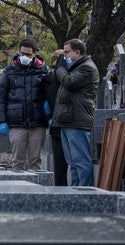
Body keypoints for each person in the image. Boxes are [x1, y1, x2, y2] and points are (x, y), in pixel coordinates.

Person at [0, 38, 48, 171]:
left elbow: (49, 94)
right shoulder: (9, 71)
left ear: (35, 54)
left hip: (37, 122)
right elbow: (1, 98)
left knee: (35, 161)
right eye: (22, 53)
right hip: (17, 122)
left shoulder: (42, 71)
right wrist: (2, 120)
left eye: (28, 54)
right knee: (17, 161)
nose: (25, 57)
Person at [52, 38, 99, 186]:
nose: (64, 56)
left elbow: (69, 82)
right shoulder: (76, 67)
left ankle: (85, 193)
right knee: (72, 161)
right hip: (68, 119)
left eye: (67, 52)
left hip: (77, 120)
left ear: (77, 52)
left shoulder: (87, 68)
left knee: (80, 160)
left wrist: (60, 68)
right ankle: (75, 192)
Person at [44, 49, 68, 186]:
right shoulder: (49, 78)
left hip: (67, 120)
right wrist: (48, 115)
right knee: (59, 160)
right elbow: (47, 97)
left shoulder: (68, 76)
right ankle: (61, 186)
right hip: (56, 122)